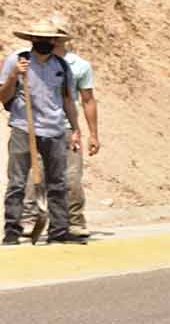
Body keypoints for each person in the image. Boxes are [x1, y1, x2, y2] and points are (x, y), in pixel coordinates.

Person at [1, 19, 82, 246]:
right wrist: (13, 76)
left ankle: (59, 231)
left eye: (48, 39)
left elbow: (68, 101)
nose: (43, 42)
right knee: (17, 182)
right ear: (31, 40)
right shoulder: (17, 61)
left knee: (58, 182)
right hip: (23, 128)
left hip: (55, 130)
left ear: (55, 41)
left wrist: (76, 129)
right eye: (39, 39)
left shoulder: (62, 67)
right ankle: (12, 232)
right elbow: (3, 97)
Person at [23, 18, 99, 237]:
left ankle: (74, 221)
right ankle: (29, 220)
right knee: (34, 174)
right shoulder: (28, 60)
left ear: (59, 38)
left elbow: (87, 100)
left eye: (51, 37)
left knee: (72, 176)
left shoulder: (79, 66)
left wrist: (91, 133)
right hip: (37, 127)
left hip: (66, 129)